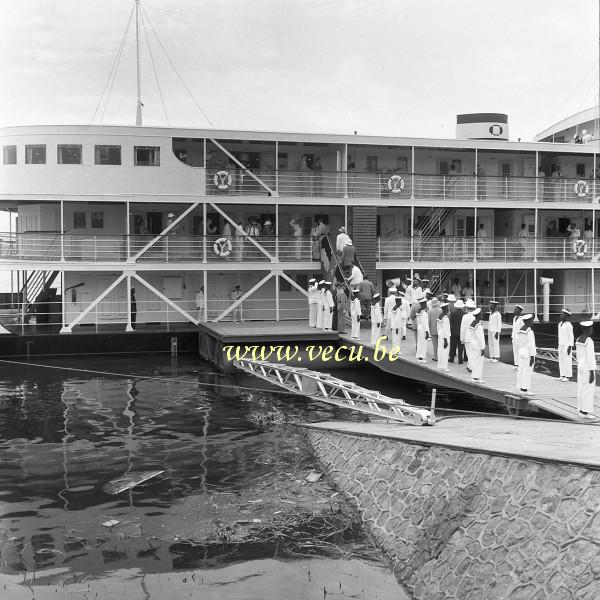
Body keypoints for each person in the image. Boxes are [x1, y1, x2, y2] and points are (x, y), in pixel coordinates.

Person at [576, 320, 597, 418]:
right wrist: (592, 372)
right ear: (587, 329)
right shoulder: (589, 341)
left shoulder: (578, 339)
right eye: (591, 328)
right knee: (588, 389)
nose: (592, 330)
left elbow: (578, 355)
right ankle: (585, 412)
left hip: (580, 366)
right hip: (588, 368)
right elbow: (591, 358)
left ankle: (580, 409)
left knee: (581, 388)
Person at [516, 314, 536, 395]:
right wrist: (532, 356)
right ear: (528, 321)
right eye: (531, 320)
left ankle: (521, 387)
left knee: (521, 371)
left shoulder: (521, 330)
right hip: (528, 353)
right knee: (527, 372)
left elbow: (519, 342)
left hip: (521, 352)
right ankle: (525, 389)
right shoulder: (529, 332)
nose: (532, 322)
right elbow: (531, 345)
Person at [557, 308, 574, 382]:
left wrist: (570, 346)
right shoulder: (560, 324)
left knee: (567, 360)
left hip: (567, 345)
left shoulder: (569, 325)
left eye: (563, 314)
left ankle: (567, 376)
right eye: (561, 314)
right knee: (561, 360)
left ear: (566, 316)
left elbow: (571, 336)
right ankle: (562, 375)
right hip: (561, 344)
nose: (561, 315)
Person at [469, 308, 486, 382]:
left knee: (474, 360)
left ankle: (474, 376)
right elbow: (480, 338)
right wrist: (483, 348)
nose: (482, 315)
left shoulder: (473, 323)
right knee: (478, 361)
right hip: (478, 345)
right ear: (479, 315)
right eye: (481, 313)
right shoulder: (478, 326)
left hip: (473, 344)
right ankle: (476, 377)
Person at [461, 299, 476, 371]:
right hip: (474, 336)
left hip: (467, 336)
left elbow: (463, 329)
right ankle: (469, 366)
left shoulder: (465, 317)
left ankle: (471, 367)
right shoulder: (476, 316)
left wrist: (461, 338)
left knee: (469, 353)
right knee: (473, 353)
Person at [449, 299, 465, 363]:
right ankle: (460, 359)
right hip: (461, 332)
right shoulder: (464, 314)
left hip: (454, 332)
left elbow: (451, 323)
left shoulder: (453, 313)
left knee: (453, 346)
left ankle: (452, 358)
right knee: (461, 347)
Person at [437, 302, 451, 372]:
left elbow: (438, 328)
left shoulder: (440, 316)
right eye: (447, 308)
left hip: (440, 335)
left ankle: (440, 365)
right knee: (445, 352)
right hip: (445, 336)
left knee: (440, 351)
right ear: (445, 309)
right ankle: (444, 366)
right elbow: (445, 329)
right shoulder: (446, 319)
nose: (448, 309)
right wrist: (445, 339)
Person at [416, 296, 430, 362]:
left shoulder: (419, 311)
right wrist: (427, 332)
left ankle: (419, 356)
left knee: (420, 342)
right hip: (423, 329)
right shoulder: (424, 313)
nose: (426, 304)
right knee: (423, 343)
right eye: (425, 303)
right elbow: (425, 323)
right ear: (423, 304)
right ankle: (421, 357)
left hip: (419, 327)